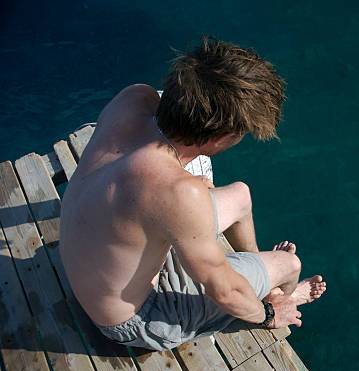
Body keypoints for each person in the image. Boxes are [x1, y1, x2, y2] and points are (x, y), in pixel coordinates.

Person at [59, 37, 326, 351]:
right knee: (289, 264)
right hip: (135, 318)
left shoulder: (133, 98)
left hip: (95, 267)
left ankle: (257, 271)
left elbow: (149, 182)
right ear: (221, 139)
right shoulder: (180, 194)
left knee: (240, 195)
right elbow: (222, 291)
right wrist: (267, 315)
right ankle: (281, 298)